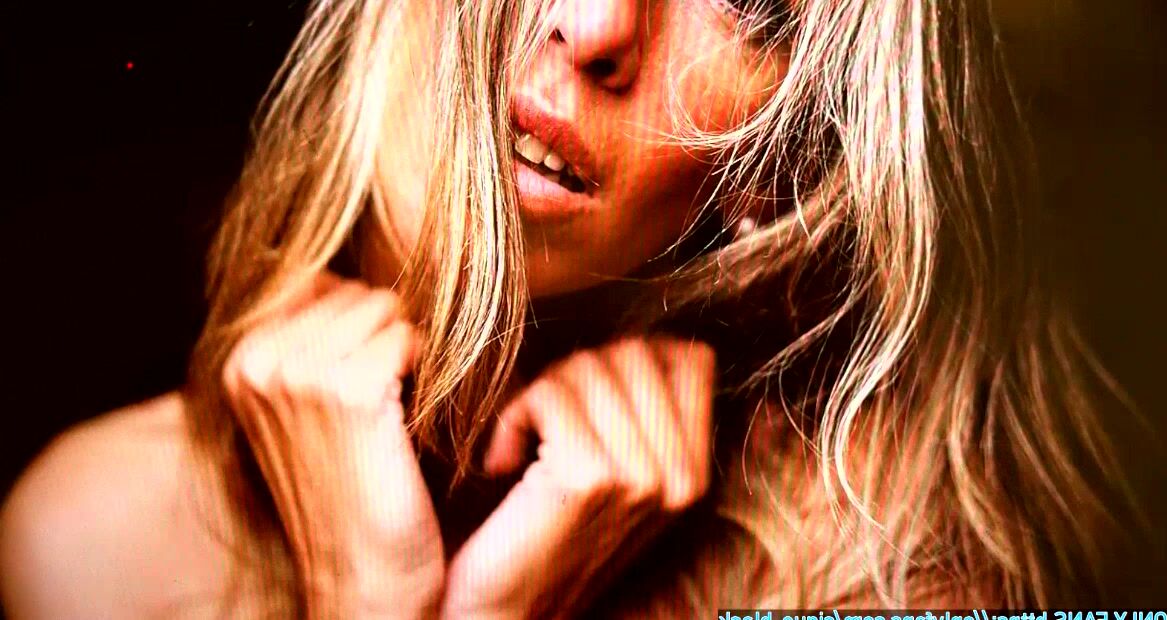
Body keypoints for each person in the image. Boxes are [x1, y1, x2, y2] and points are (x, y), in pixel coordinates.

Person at [0, 0, 1150, 617]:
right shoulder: (90, 543)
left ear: (781, 160)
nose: (596, 23)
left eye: (747, 3)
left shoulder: (892, 572)